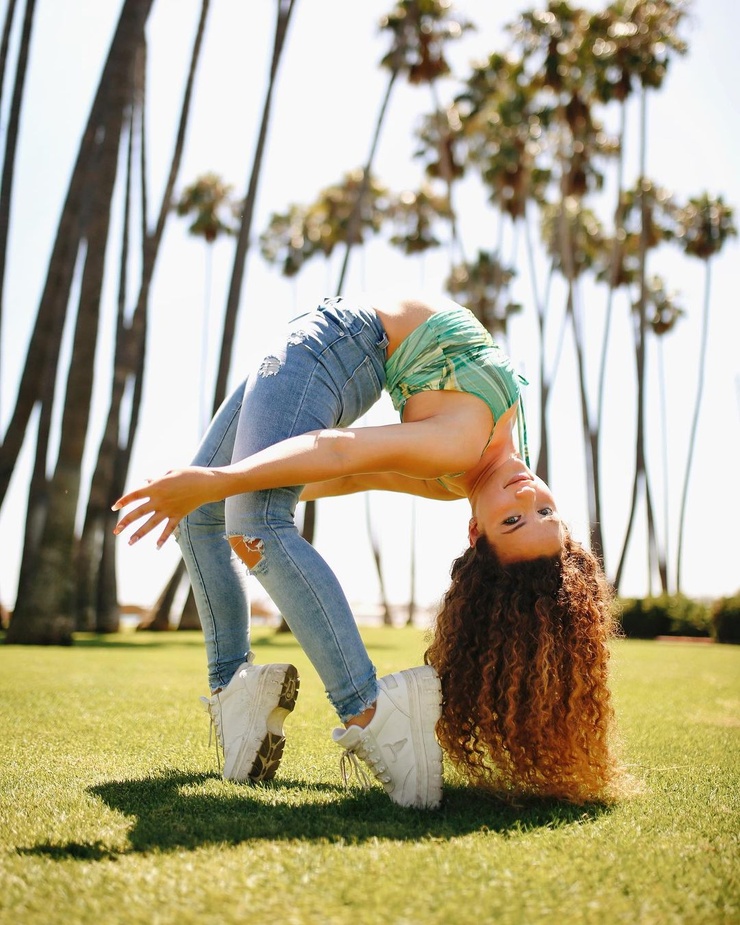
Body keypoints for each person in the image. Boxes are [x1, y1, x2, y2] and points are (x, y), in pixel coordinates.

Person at [113, 293, 623, 809]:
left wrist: (240, 484)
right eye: (546, 515)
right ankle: (369, 710)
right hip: (337, 343)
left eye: (513, 522)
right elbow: (340, 452)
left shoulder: (452, 475)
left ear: (476, 531)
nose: (528, 497)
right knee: (240, 514)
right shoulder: (461, 450)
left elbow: (351, 470)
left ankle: (235, 689)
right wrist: (228, 480)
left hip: (335, 348)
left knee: (215, 517)